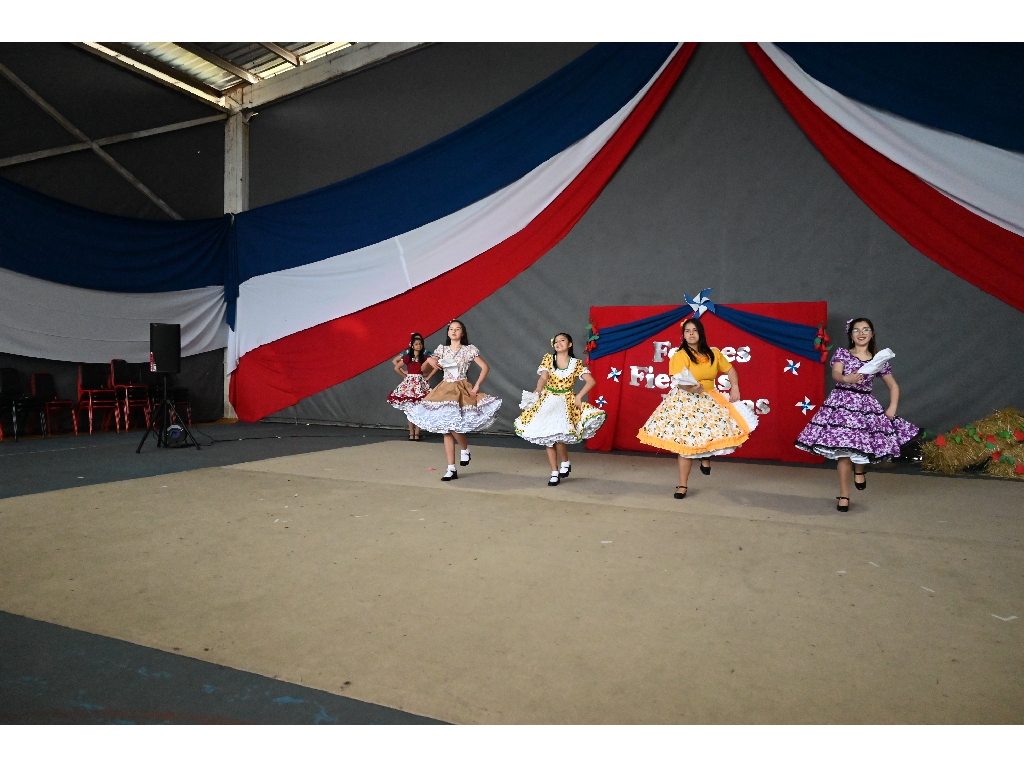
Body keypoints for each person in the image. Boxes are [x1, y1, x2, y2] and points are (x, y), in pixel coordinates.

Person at [795, 317, 918, 512]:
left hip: (864, 406)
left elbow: (893, 385)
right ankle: (844, 495)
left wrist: (892, 407)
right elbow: (836, 374)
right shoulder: (843, 354)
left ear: (872, 333)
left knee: (863, 447)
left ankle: (860, 470)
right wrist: (846, 378)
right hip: (842, 406)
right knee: (845, 453)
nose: (861, 333)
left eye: (865, 329)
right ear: (850, 335)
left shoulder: (878, 360)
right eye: (856, 330)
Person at [637, 316, 758, 499]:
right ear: (683, 335)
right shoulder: (680, 355)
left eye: (694, 330)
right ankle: (682, 485)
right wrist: (691, 388)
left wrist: (735, 387)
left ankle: (705, 456)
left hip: (710, 397)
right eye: (687, 331)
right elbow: (679, 381)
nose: (691, 334)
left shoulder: (714, 353)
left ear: (701, 333)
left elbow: (730, 369)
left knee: (716, 431)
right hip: (686, 399)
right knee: (685, 444)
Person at [405, 320, 502, 481]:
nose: (454, 331)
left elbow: (485, 367)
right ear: (448, 332)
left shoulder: (469, 350)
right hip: (445, 388)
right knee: (446, 428)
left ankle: (464, 449)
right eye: (451, 329)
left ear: (462, 333)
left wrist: (477, 386)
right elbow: (422, 368)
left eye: (457, 329)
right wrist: (430, 360)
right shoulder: (442, 350)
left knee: (454, 425)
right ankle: (451, 468)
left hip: (461, 387)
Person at [514, 333, 606, 486]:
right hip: (548, 400)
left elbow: (591, 381)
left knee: (559, 435)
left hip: (565, 402)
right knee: (548, 437)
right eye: (556, 341)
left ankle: (565, 461)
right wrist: (538, 389)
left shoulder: (576, 364)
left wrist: (579, 396)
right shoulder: (548, 359)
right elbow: (543, 377)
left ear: (570, 344)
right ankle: (554, 472)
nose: (558, 343)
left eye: (562, 340)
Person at [387, 333, 437, 441]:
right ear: (412, 345)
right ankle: (411, 433)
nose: (419, 346)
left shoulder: (425, 357)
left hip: (420, 383)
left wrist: (428, 376)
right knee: (410, 409)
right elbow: (396, 367)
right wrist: (406, 376)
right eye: (416, 344)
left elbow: (436, 366)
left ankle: (417, 433)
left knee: (420, 409)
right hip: (410, 384)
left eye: (420, 344)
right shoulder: (407, 357)